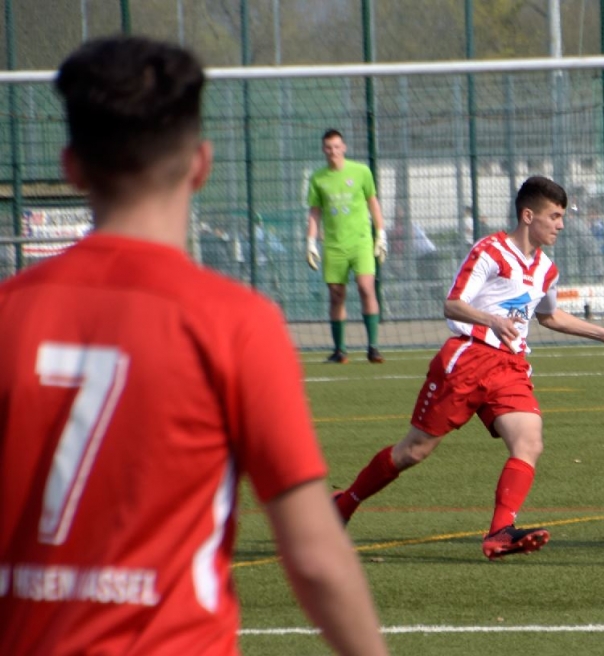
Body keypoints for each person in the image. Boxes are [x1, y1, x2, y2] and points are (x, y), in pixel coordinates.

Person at [0, 36, 388, 656]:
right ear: (201, 164)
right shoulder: (235, 324)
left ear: (70, 167)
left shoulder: (9, 315)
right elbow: (314, 556)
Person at [333, 176, 604, 559]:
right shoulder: (490, 251)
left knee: (529, 440)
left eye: (562, 216)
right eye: (554, 216)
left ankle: (500, 533)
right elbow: (453, 304)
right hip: (467, 359)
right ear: (529, 216)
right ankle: (343, 504)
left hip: (509, 366)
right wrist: (491, 320)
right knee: (413, 452)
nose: (561, 224)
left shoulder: (546, 269)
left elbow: (550, 316)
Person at [306, 128, 388, 364]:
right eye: (328, 148)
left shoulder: (361, 172)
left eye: (337, 147)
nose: (333, 151)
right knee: (336, 295)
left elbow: (373, 203)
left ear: (344, 147)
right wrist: (310, 241)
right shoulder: (318, 178)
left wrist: (380, 234)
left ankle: (373, 347)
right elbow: (314, 211)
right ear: (324, 150)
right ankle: (339, 350)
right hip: (333, 245)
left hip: (361, 242)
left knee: (366, 288)